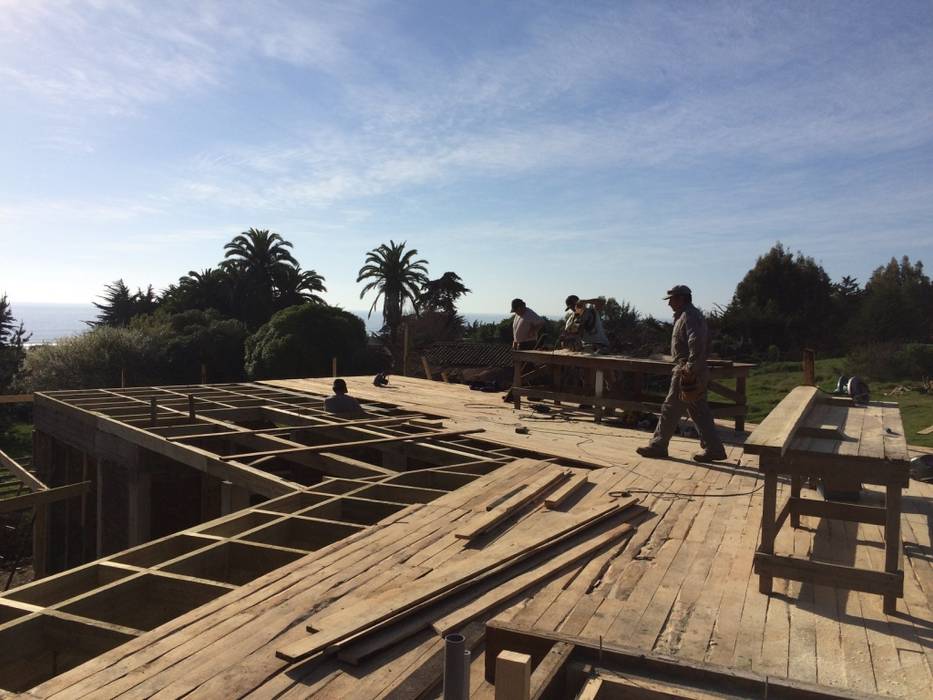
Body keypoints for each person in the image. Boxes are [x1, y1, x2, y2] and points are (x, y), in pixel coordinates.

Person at [636, 285, 727, 462]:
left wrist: (690, 368)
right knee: (699, 411)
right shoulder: (686, 315)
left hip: (687, 370)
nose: (669, 303)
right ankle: (714, 449)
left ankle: (658, 445)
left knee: (670, 408)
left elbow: (697, 342)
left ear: (681, 299)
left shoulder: (690, 316)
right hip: (690, 369)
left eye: (671, 299)